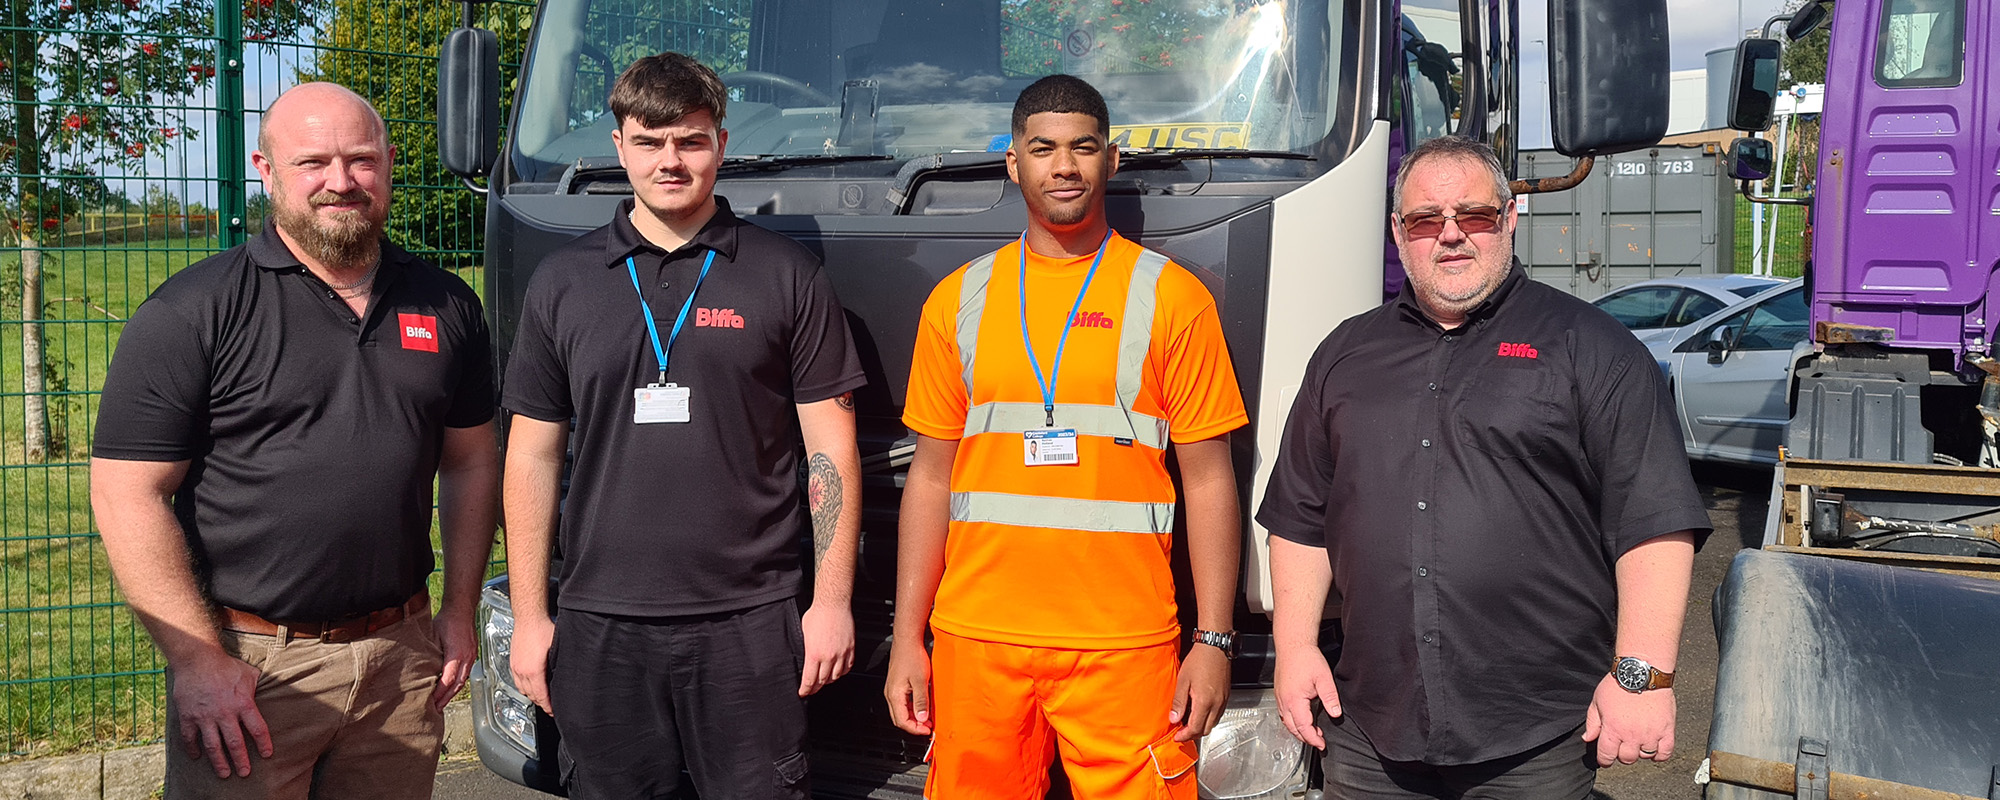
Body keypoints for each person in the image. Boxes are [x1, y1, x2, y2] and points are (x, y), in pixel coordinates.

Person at [1257, 135, 1713, 797]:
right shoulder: (1344, 356)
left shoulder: (1593, 350)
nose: (1450, 236)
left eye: (1473, 215)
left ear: (1508, 219)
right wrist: (1295, 649)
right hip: (1369, 731)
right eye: (1424, 221)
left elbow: (1654, 523)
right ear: (1397, 231)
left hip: (1534, 737)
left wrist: (1643, 676)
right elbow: (1300, 518)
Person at [90, 82, 498, 799]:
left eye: (361, 160)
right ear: (266, 168)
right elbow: (127, 494)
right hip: (251, 670)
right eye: (314, 161)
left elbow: (469, 465)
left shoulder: (446, 303)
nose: (341, 181)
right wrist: (196, 660)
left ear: (390, 164)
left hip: (401, 660)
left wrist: (458, 610)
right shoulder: (191, 313)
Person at [501, 52, 865, 799]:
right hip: (600, 622)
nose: (671, 160)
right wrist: (532, 617)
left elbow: (831, 450)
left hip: (751, 624)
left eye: (691, 140)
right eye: (650, 140)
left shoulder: (785, 274)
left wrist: (830, 606)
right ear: (620, 148)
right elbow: (531, 458)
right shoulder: (563, 283)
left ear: (721, 146)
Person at [883, 74, 1249, 799]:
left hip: (1124, 644)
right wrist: (907, 638)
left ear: (1111, 161)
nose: (1065, 166)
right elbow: (928, 478)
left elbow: (1210, 479)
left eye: (1084, 147)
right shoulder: (957, 301)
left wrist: (1214, 639)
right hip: (976, 639)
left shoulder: (1172, 297)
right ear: (1013, 162)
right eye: (1043, 148)